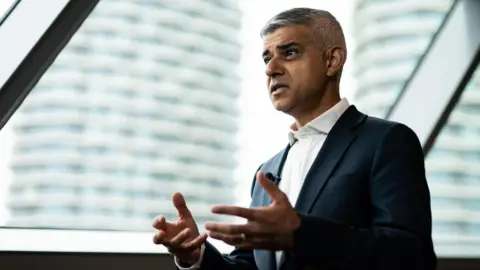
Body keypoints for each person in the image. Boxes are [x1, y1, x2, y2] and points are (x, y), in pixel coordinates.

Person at [152, 7, 436, 270]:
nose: (270, 68)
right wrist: (196, 256)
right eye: (266, 58)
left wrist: (301, 232)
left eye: (289, 52)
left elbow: (411, 256)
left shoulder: (387, 142)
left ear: (332, 60)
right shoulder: (266, 172)